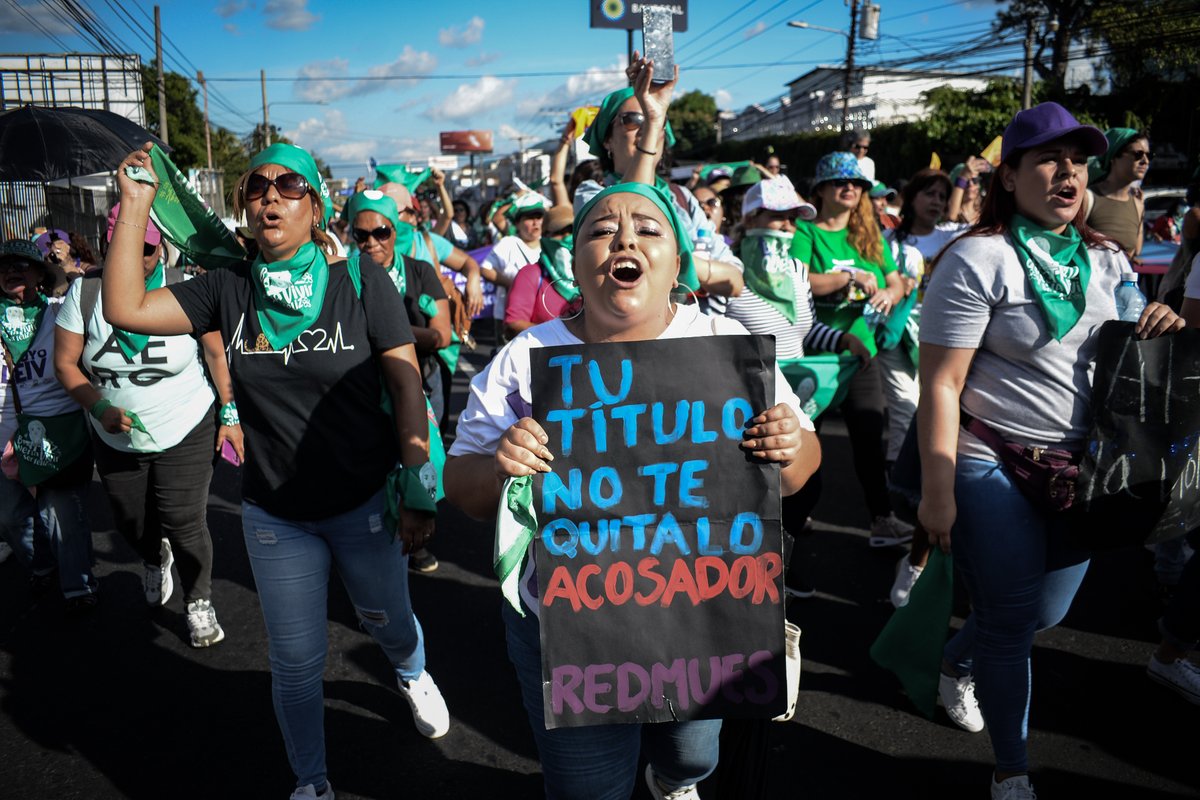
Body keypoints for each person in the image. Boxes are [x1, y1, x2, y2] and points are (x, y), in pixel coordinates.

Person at [444, 178, 820, 800]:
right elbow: (464, 487)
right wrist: (500, 465)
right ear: (577, 265)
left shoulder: (725, 351)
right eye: (601, 230)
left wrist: (790, 443)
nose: (625, 239)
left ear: (677, 264)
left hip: (705, 619)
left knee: (693, 755)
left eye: (649, 229)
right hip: (565, 629)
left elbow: (802, 467)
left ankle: (674, 782)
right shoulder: (525, 359)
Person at [104, 140, 451, 800]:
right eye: (256, 186)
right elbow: (125, 308)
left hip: (363, 502)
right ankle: (311, 780)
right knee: (295, 661)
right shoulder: (225, 287)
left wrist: (417, 484)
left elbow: (407, 387)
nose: (270, 195)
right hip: (274, 514)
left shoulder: (360, 281)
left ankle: (411, 671)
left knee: (389, 622)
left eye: (289, 185)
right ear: (243, 207)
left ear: (315, 205)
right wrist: (135, 203)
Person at [917, 102, 1184, 799]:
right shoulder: (976, 257)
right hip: (989, 459)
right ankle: (1013, 773)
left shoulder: (1107, 259)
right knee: (1010, 623)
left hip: (1081, 467)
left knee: (1046, 613)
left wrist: (1160, 320)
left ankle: (956, 658)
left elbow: (1130, 357)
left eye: (1079, 161)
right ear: (1008, 177)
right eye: (1047, 159)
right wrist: (937, 489)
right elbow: (942, 385)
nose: (1068, 173)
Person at [53, 204, 236, 645]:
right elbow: (65, 364)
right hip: (114, 434)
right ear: (106, 246)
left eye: (148, 248)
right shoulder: (85, 294)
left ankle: (199, 600)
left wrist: (229, 413)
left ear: (164, 250)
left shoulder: (185, 288)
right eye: (125, 246)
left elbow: (215, 355)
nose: (137, 258)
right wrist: (99, 409)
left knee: (184, 519)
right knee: (131, 521)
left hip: (185, 424)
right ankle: (155, 557)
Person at [794, 151, 914, 547]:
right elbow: (798, 283)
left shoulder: (869, 235)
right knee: (807, 443)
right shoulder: (805, 231)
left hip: (861, 354)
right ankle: (795, 517)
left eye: (857, 184)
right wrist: (849, 278)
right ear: (822, 189)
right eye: (840, 182)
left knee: (868, 440)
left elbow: (896, 283)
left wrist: (886, 291)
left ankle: (881, 521)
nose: (850, 189)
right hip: (816, 354)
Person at [577, 67, 744, 311]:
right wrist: (692, 267)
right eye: (634, 120)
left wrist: (672, 264)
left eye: (657, 120)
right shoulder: (592, 195)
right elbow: (635, 202)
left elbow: (734, 281)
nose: (647, 129)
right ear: (607, 139)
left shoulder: (681, 197)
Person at [346, 188, 451, 575]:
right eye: (361, 234)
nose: (372, 242)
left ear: (395, 230)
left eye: (381, 232)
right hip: (365, 390)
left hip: (420, 382)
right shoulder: (343, 276)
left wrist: (388, 330)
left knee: (421, 457)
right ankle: (379, 541)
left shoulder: (419, 271)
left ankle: (420, 534)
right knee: (376, 468)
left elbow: (443, 333)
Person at [0, 238, 97, 612]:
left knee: (62, 517)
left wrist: (71, 265)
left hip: (58, 431)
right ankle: (43, 562)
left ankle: (79, 587)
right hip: (5, 433)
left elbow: (96, 285)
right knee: (9, 517)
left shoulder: (60, 311)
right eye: (4, 266)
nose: (12, 271)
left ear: (40, 274)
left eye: (21, 265)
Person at [503, 204, 578, 338]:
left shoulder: (593, 275)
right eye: (559, 232)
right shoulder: (531, 274)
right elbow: (514, 323)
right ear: (545, 237)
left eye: (571, 231)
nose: (566, 238)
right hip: (547, 356)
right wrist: (562, 337)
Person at [482, 193, 548, 327]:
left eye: (538, 217)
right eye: (529, 218)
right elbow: (485, 269)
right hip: (508, 317)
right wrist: (514, 284)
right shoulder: (509, 243)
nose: (535, 222)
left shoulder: (549, 245)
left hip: (541, 319)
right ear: (517, 223)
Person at [1086, 128, 1149, 261]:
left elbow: (1136, 251)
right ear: (1114, 157)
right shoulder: (1087, 198)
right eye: (1138, 154)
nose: (1145, 161)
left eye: (1150, 155)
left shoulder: (1138, 205)